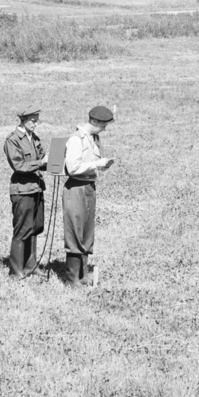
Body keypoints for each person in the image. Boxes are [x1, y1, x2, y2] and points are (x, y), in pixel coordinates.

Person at [63, 105, 116, 287]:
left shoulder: (94, 138)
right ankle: (72, 279)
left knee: (87, 233)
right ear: (93, 121)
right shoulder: (76, 139)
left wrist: (102, 164)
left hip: (89, 187)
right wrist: (96, 165)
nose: (104, 129)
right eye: (102, 125)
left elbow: (92, 162)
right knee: (75, 232)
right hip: (75, 188)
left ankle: (83, 275)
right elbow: (73, 168)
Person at [3, 106, 48, 280]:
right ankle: (16, 271)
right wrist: (41, 162)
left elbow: (42, 160)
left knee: (35, 228)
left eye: (37, 121)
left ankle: (31, 266)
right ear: (23, 120)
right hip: (22, 190)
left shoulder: (34, 138)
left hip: (36, 188)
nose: (35, 124)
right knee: (22, 229)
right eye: (32, 121)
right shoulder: (13, 140)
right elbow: (19, 166)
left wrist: (54, 160)